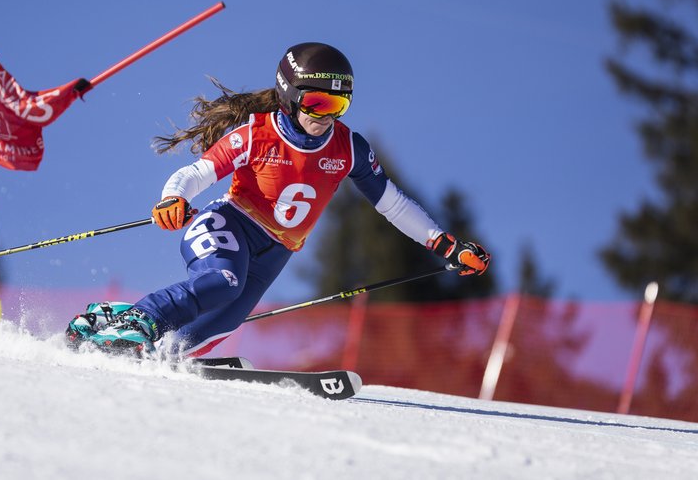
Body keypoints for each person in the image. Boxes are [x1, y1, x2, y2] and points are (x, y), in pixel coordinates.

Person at [66, 42, 490, 357]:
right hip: (229, 226)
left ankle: (123, 327)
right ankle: (139, 322)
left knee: (210, 332)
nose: (327, 116)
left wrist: (445, 244)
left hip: (277, 253)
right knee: (221, 282)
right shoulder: (257, 134)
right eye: (318, 103)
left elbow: (392, 204)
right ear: (290, 96)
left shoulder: (349, 148)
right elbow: (198, 172)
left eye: (339, 104)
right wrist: (172, 197)